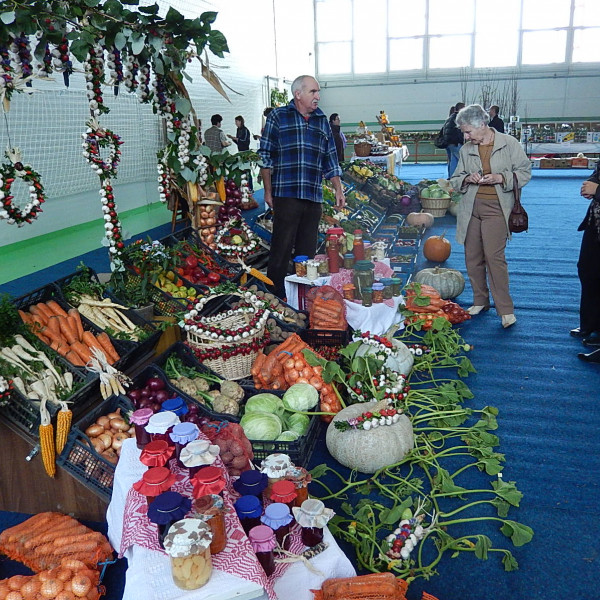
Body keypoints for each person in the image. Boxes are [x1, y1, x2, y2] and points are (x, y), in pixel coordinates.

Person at [259, 74, 345, 299]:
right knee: (282, 247)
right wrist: (268, 191)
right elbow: (265, 156)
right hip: (286, 193)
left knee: (307, 251)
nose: (318, 96)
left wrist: (338, 188)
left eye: (318, 92)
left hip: (313, 195)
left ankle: (304, 296)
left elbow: (330, 158)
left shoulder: (321, 120)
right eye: (313, 92)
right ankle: (275, 295)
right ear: (298, 94)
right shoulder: (279, 116)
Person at [449, 104, 532, 329]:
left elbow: (525, 172)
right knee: (472, 256)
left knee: (494, 258)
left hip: (497, 208)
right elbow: (455, 179)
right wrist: (467, 179)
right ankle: (480, 300)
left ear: (483, 125)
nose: (466, 137)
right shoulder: (466, 149)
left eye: (468, 132)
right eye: (464, 132)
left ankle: (505, 309)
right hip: (470, 208)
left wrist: (500, 177)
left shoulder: (509, 144)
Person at [574, 162, 600, 363]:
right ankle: (592, 326)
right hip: (595, 223)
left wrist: (597, 190)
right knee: (588, 270)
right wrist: (592, 182)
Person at [227, 115, 253, 190]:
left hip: (246, 152)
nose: (235, 123)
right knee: (242, 170)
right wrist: (233, 139)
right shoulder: (238, 130)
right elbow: (239, 142)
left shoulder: (245, 130)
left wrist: (235, 138)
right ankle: (244, 187)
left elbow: (244, 141)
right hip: (240, 151)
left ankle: (250, 187)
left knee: (247, 170)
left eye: (236, 121)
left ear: (240, 121)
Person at [443, 102, 465, 177]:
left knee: (453, 161)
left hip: (449, 143)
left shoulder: (450, 118)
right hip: (456, 142)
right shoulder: (459, 118)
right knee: (463, 160)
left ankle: (451, 177)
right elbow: (459, 131)